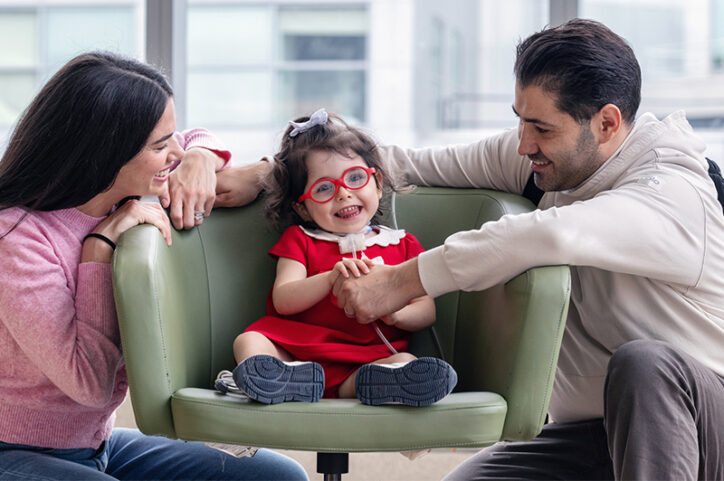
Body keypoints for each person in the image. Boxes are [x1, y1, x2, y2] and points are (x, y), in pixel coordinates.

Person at [323, 19, 722, 480]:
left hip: (701, 424)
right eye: (519, 118)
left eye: (541, 128)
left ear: (607, 123)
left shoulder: (671, 192)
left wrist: (398, 281)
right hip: (589, 435)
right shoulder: (555, 161)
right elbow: (404, 165)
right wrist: (274, 171)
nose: (523, 143)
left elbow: (542, 235)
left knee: (646, 363)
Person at [0, 52, 308, 481]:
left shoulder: (125, 187)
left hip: (95, 443)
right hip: (13, 449)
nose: (175, 153)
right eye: (162, 146)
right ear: (104, 154)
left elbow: (193, 138)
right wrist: (99, 250)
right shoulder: (16, 237)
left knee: (277, 476)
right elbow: (88, 384)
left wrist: (201, 155)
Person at [228, 109, 457, 407]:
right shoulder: (301, 240)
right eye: (323, 188)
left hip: (367, 357)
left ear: (377, 184)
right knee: (248, 341)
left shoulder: (402, 245)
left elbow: (427, 311)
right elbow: (283, 299)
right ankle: (285, 380)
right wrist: (330, 277)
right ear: (303, 208)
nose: (344, 194)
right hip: (297, 353)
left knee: (404, 360)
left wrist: (395, 312)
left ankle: (369, 385)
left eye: (356, 178)